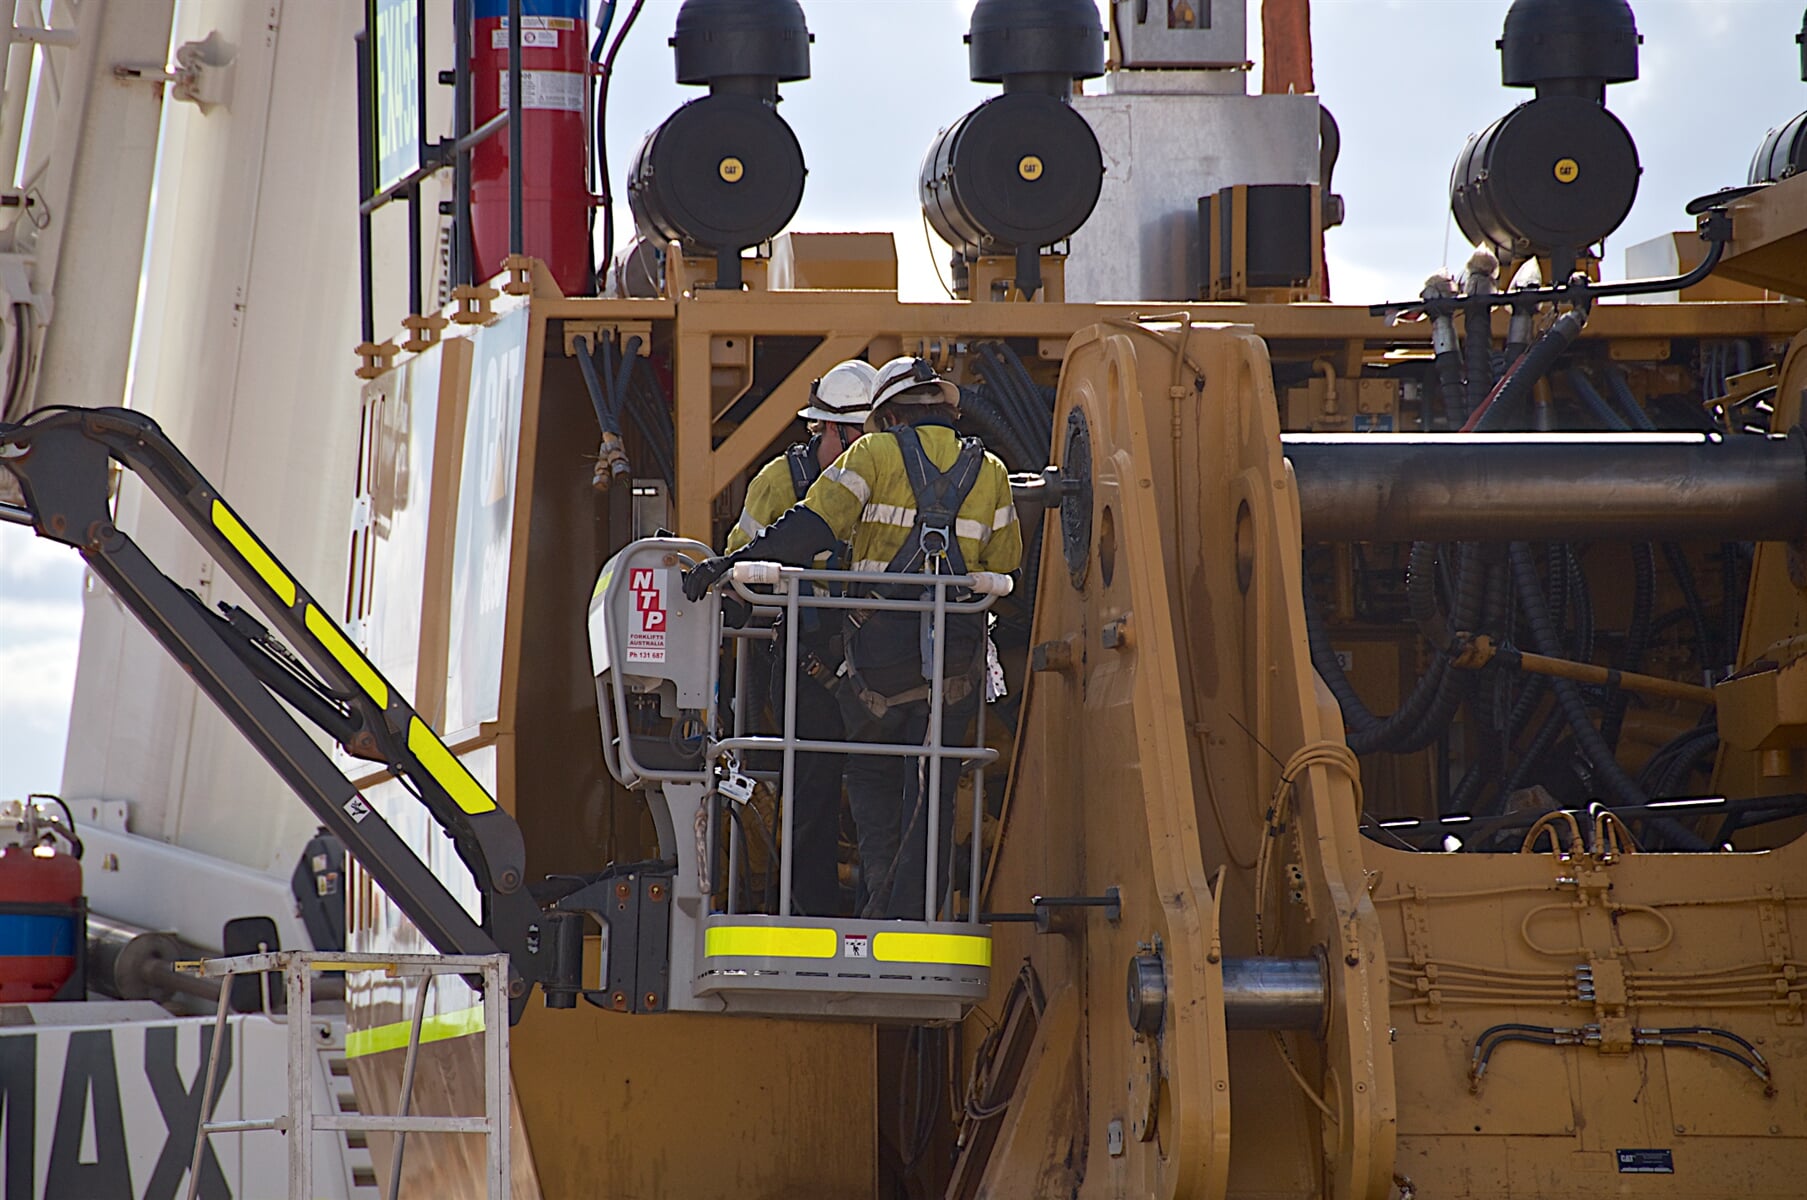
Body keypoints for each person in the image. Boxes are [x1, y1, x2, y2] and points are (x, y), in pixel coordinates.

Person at [686, 356, 1023, 921]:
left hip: (877, 666)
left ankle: (873, 918)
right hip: (953, 667)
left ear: (887, 416)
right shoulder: (989, 469)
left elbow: (811, 528)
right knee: (934, 788)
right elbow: (1007, 561)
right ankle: (913, 921)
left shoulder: (875, 454)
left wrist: (730, 562)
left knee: (868, 772)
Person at [723, 359, 877, 917]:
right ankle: (808, 916)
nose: (866, 446)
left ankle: (873, 917)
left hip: (873, 665)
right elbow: (740, 581)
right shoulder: (778, 484)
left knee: (875, 795)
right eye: (857, 434)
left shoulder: (881, 479)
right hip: (804, 664)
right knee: (810, 796)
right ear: (827, 430)